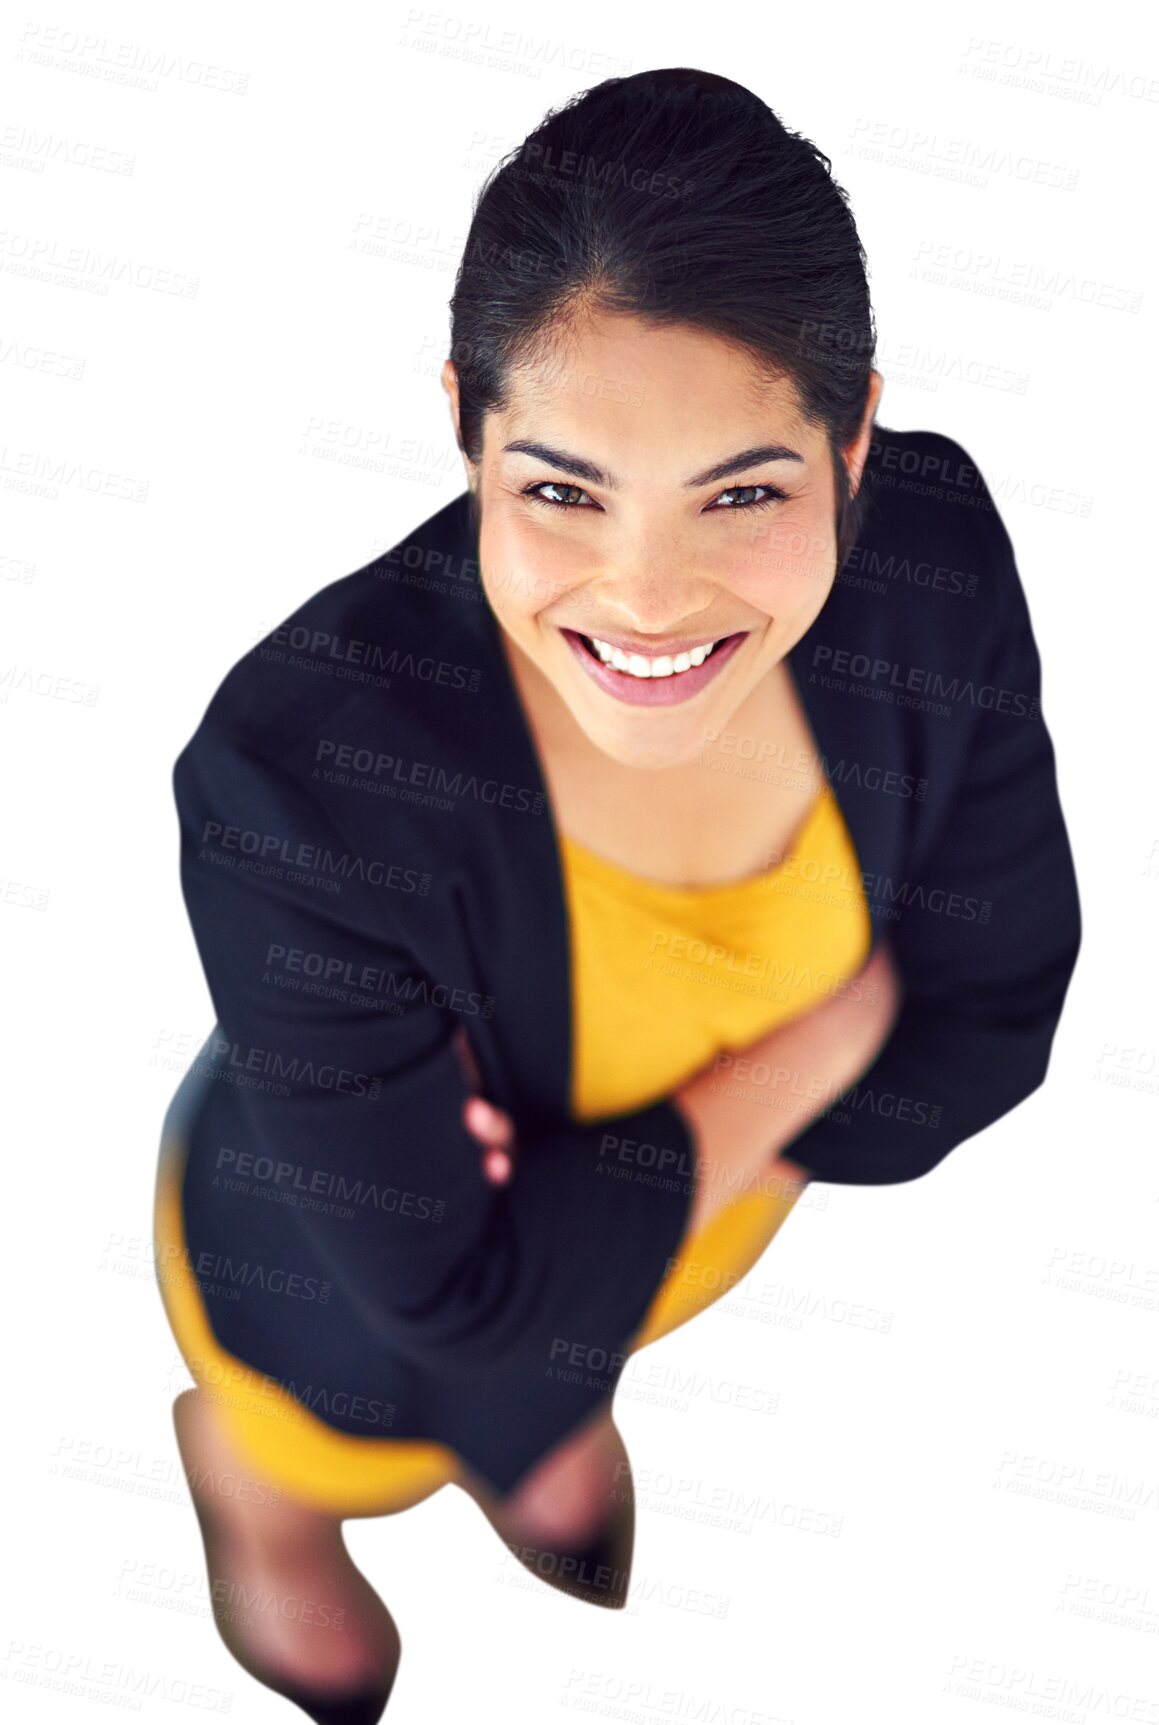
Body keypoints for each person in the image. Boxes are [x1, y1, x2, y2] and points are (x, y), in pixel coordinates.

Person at [152, 67, 1081, 1723]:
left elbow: (995, 1022)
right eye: (562, 490)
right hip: (318, 1314)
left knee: (543, 1354)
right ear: (464, 422)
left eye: (745, 492)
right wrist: (820, 1038)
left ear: (855, 433)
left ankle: (552, 1408)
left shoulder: (929, 548)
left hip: (662, 1249)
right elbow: (443, 1306)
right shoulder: (297, 775)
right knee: (352, 1432)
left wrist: (563, 1245)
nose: (650, 601)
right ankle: (247, 1490)